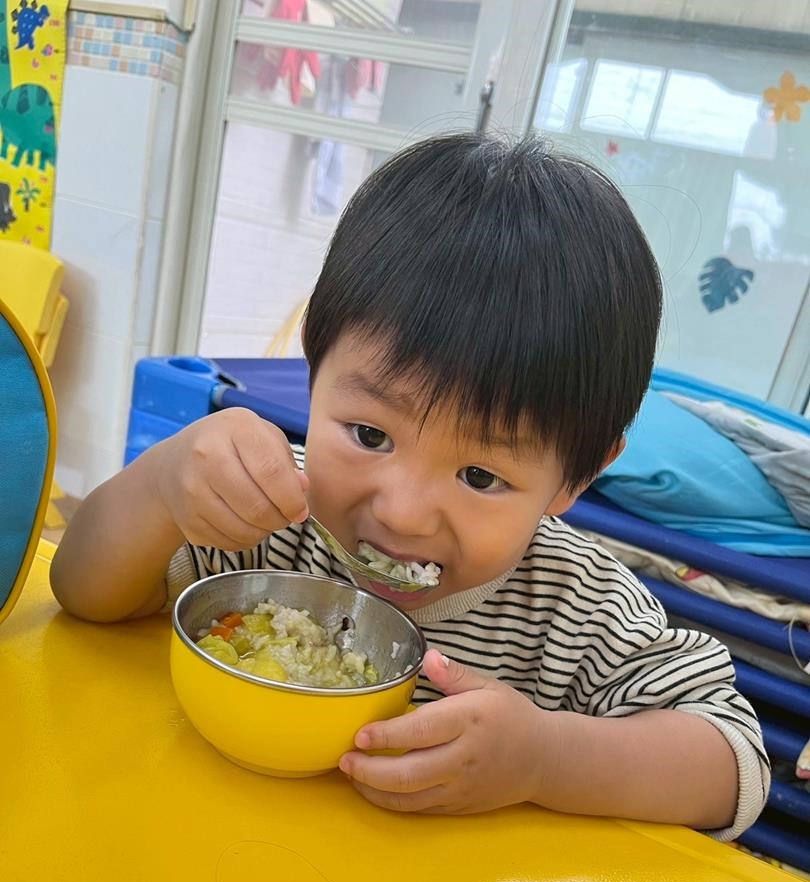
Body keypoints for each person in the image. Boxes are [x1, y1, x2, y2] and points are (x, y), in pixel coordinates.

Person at [51, 133, 769, 839]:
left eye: (480, 476)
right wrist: (162, 485)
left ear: (575, 478)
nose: (402, 512)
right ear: (313, 370)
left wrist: (545, 759)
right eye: (370, 435)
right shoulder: (270, 515)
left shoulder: (576, 606)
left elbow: (734, 764)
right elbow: (83, 590)